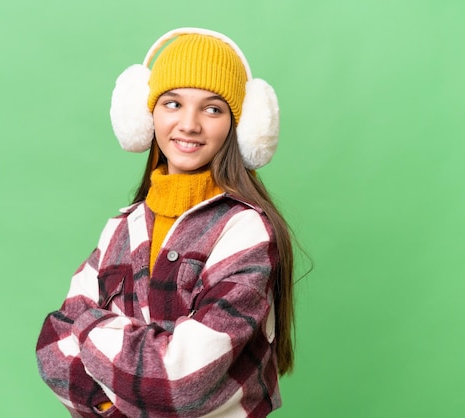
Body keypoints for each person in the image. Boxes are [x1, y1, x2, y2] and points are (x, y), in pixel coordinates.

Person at [36, 27, 295, 418]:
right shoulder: (121, 229)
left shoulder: (244, 232)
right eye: (172, 103)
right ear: (145, 115)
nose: (189, 125)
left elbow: (180, 383)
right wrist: (115, 399)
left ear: (239, 126)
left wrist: (87, 326)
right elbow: (52, 350)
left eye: (212, 109)